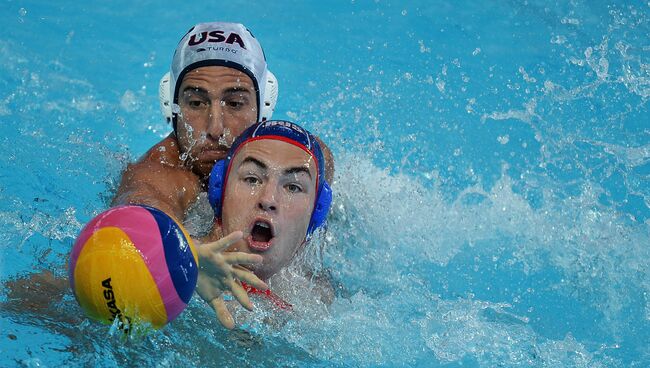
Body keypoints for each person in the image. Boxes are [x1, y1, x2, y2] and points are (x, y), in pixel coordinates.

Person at [111, 22, 334, 328]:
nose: (215, 128)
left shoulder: (295, 154)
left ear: (263, 106)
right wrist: (188, 252)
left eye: (234, 103)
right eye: (197, 103)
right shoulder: (161, 172)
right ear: (171, 106)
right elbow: (142, 211)